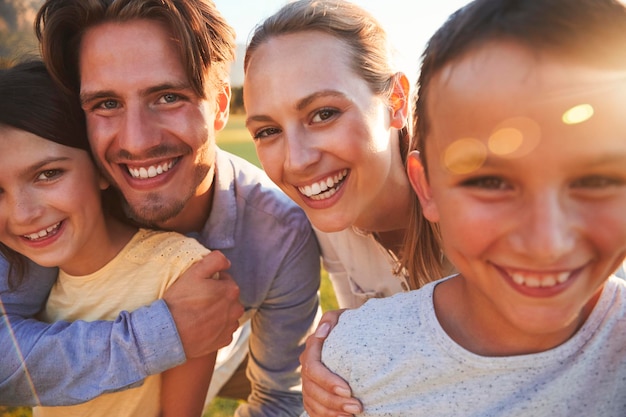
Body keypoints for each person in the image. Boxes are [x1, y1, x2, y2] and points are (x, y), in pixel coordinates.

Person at [302, 0, 626, 415]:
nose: (546, 242)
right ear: (427, 186)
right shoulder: (355, 366)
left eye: (597, 180)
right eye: (489, 182)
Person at [0, 0, 321, 416]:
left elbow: (281, 396)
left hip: (222, 356)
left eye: (168, 96)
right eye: (106, 104)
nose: (136, 141)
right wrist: (161, 335)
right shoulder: (55, 213)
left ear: (221, 105)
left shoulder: (278, 234)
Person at [242, 2, 450, 413]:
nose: (297, 161)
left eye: (323, 114)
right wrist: (329, 360)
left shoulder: (471, 201)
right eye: (268, 131)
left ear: (396, 100)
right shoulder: (317, 216)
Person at [0, 59, 216, 417]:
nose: (23, 214)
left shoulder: (180, 272)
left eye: (48, 174)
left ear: (102, 169)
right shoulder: (29, 277)